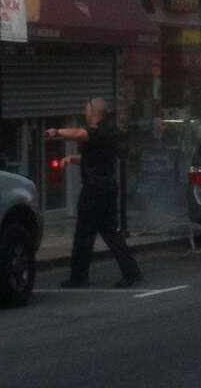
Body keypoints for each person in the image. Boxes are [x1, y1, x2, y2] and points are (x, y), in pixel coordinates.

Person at [45, 98, 143, 289]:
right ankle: (131, 272)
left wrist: (57, 131)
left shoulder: (98, 131)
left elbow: (80, 134)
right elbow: (93, 158)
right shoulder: (107, 132)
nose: (84, 111)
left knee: (84, 233)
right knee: (109, 232)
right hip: (107, 187)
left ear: (94, 112)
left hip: (94, 189)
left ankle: (79, 277)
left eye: (86, 108)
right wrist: (71, 159)